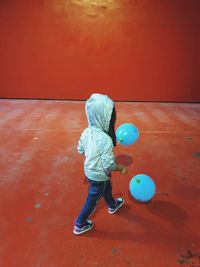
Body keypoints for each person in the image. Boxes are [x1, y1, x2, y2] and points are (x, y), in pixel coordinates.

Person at [73, 93, 127, 235]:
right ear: (106, 118)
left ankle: (112, 204)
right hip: (99, 175)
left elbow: (80, 149)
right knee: (92, 200)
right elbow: (109, 166)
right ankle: (80, 223)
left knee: (107, 187)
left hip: (88, 170)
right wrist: (121, 168)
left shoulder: (86, 132)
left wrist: (92, 153)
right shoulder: (105, 139)